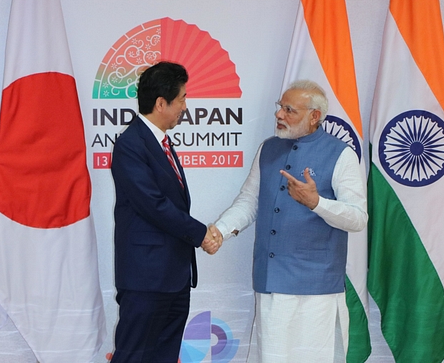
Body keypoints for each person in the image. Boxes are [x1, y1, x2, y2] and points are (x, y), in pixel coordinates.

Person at [210, 80, 367, 362]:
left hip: (317, 288)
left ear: (314, 116)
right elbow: (249, 200)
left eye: (289, 110)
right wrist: (221, 230)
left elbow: (357, 218)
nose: (279, 115)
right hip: (272, 282)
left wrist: (317, 203)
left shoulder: (341, 154)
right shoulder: (268, 149)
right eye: (280, 107)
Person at [110, 61, 220, 363]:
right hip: (146, 279)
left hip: (173, 277)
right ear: (161, 103)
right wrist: (201, 234)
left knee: (164, 357)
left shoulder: (161, 143)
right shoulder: (131, 144)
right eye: (182, 98)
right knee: (134, 357)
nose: (185, 105)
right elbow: (154, 204)